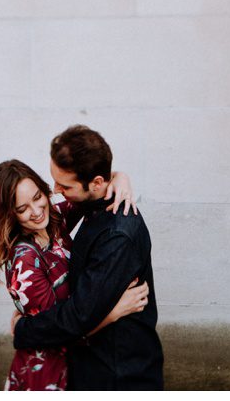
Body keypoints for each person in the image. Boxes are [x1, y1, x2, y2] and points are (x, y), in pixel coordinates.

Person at [11, 125, 164, 390]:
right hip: (94, 365)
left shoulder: (116, 237)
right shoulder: (91, 205)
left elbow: (79, 316)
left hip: (118, 375)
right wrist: (119, 176)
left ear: (95, 183)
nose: (56, 191)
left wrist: (25, 330)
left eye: (65, 185)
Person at [0, 159, 149, 391]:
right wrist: (114, 311)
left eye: (38, 197)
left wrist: (121, 178)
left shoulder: (54, 221)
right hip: (47, 372)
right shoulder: (24, 262)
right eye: (22, 209)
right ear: (10, 214)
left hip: (80, 363)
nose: (37, 211)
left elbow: (89, 189)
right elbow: (58, 330)